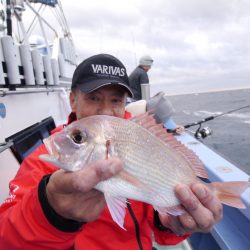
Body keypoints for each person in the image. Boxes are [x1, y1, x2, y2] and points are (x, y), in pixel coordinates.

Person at [0, 54, 223, 250]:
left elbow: (162, 228)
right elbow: (6, 239)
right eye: (93, 98)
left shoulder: (141, 137)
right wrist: (50, 212)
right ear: (73, 101)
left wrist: (174, 225)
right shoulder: (45, 160)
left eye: (116, 100)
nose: (106, 110)